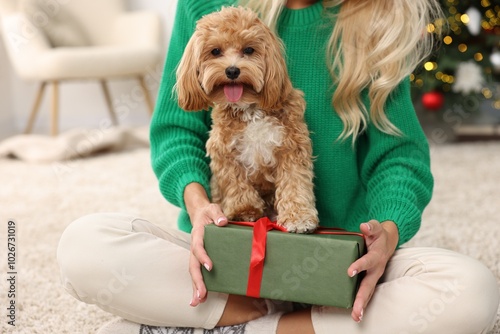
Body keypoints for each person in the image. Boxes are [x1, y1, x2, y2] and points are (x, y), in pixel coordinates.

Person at [57, 0, 500, 333]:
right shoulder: (207, 6)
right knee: (83, 245)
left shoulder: (375, 21)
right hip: (222, 254)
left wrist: (387, 233)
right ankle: (272, 321)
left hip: (336, 263)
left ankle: (240, 326)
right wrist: (197, 206)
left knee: (472, 292)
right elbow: (176, 131)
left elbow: (399, 156)